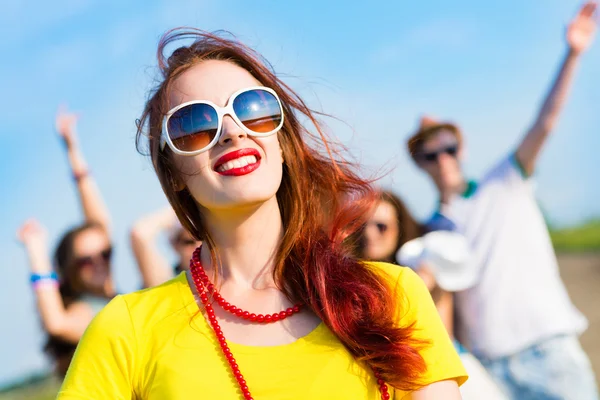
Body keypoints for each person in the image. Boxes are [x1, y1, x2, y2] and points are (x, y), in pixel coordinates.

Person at [57, 29, 467, 399]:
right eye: (196, 124)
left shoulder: (389, 294)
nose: (234, 131)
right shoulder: (127, 329)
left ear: (283, 143)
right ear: (174, 171)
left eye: (253, 109)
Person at [407, 3, 598, 399]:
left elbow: (544, 122)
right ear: (419, 163)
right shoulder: (430, 230)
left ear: (462, 147)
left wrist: (573, 53)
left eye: (448, 146)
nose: (442, 158)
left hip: (547, 352)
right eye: (429, 153)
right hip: (486, 367)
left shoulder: (506, 180)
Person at [361, 190, 507, 400]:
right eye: (361, 225)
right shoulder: (351, 279)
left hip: (435, 367)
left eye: (381, 226)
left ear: (399, 228)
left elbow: (442, 335)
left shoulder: (423, 266)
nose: (369, 233)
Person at [16, 109, 116, 377]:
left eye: (105, 254)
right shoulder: (86, 313)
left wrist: (73, 150)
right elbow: (57, 323)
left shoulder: (112, 299)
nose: (99, 263)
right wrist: (35, 250)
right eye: (86, 260)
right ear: (70, 271)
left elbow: (99, 224)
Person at [130, 206, 201, 288]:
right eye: (188, 242)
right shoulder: (167, 281)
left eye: (205, 242)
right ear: (174, 245)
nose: (198, 248)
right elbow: (140, 233)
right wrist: (177, 208)